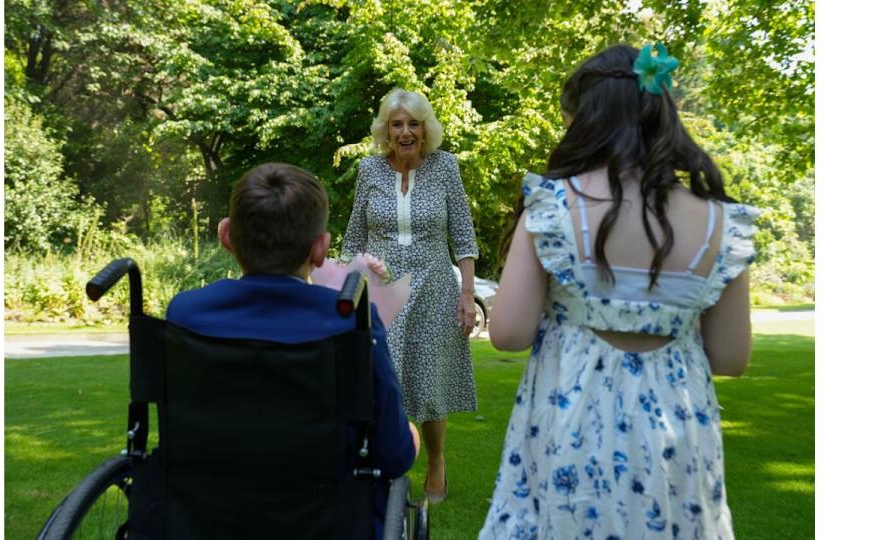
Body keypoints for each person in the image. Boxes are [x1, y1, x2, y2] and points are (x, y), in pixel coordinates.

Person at [479, 44, 760, 539]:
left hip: (569, 426)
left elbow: (508, 332)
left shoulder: (551, 206)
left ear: (584, 119)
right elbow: (731, 357)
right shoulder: (721, 221)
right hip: (677, 437)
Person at [166, 163, 420, 539]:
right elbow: (394, 455)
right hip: (326, 521)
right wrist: (411, 436)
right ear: (320, 248)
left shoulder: (186, 314)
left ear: (226, 236)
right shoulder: (349, 322)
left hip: (206, 520)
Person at [342, 88, 479, 503]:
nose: (405, 132)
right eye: (397, 124)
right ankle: (388, 464)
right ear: (386, 130)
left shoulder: (445, 167)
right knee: (383, 380)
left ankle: (436, 461)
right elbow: (354, 237)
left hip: (436, 286)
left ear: (425, 129)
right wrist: (346, 286)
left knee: (431, 379)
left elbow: (464, 234)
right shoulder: (369, 170)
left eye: (413, 124)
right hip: (385, 290)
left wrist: (468, 294)